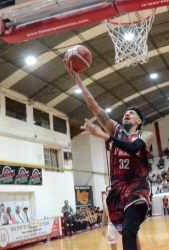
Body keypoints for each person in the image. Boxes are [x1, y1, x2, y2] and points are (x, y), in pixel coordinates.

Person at [65, 60, 153, 250]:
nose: (126, 115)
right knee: (129, 233)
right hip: (117, 189)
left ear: (139, 120)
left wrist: (105, 137)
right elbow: (94, 108)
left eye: (131, 114)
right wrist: (78, 80)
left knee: (129, 231)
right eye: (125, 114)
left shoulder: (146, 135)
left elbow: (133, 148)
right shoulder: (116, 130)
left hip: (137, 187)